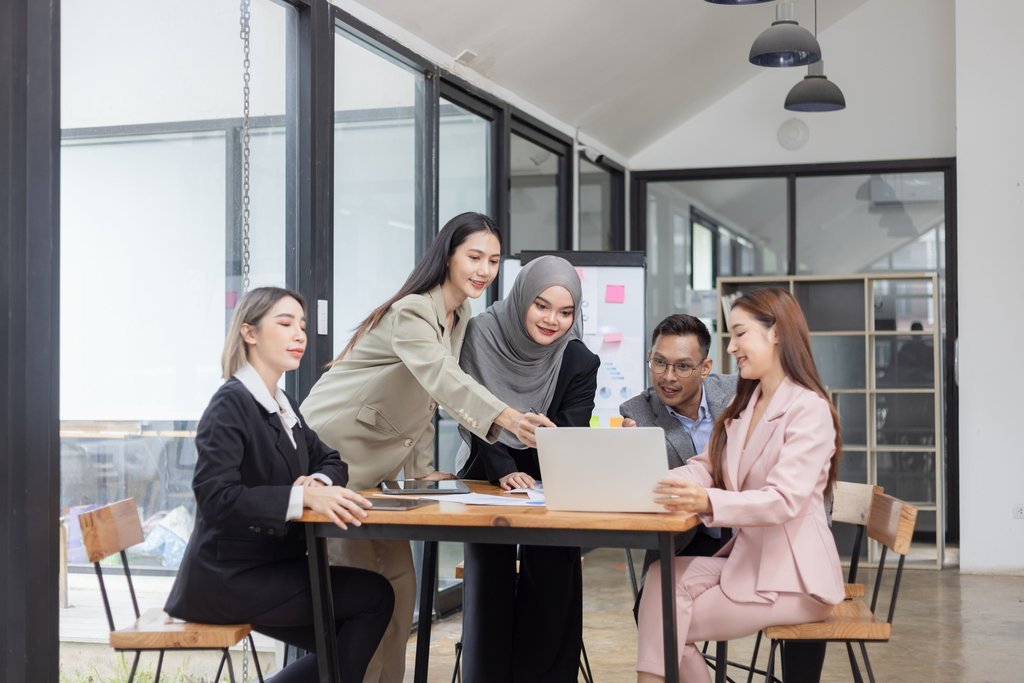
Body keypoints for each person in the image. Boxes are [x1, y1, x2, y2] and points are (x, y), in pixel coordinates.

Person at [300, 212, 555, 683]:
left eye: (493, 260)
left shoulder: (459, 314)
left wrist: (421, 470)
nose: (484, 270)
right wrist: (509, 418)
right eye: (474, 257)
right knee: (356, 598)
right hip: (335, 456)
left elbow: (424, 395)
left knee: (399, 589)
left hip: (379, 472)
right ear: (448, 256)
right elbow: (441, 377)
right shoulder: (413, 310)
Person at [165, 287, 394, 683]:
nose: (299, 335)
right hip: (227, 579)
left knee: (353, 627)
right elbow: (215, 498)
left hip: (269, 567)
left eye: (302, 326)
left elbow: (331, 460)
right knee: (372, 600)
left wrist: (317, 481)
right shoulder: (230, 404)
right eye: (285, 324)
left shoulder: (281, 403)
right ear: (250, 333)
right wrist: (301, 497)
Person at [635, 288, 845, 683]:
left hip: (792, 579)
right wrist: (652, 485)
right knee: (660, 579)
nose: (732, 348)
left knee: (666, 625)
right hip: (750, 562)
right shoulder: (747, 404)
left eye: (740, 334)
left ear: (776, 333)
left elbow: (783, 500)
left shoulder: (809, 409)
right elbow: (708, 467)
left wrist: (707, 501)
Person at [456, 255, 600, 683]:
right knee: (489, 579)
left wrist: (543, 462)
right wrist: (502, 467)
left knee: (555, 573)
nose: (553, 320)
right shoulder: (480, 335)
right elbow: (469, 409)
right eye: (541, 306)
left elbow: (570, 432)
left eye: (565, 312)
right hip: (484, 467)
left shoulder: (579, 360)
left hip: (550, 475)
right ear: (522, 298)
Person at [620, 314, 737, 569]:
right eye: (659, 362)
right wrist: (630, 456)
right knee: (657, 593)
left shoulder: (737, 393)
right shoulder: (638, 414)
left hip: (746, 535)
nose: (668, 377)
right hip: (687, 541)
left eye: (682, 366)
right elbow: (642, 492)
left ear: (705, 367)